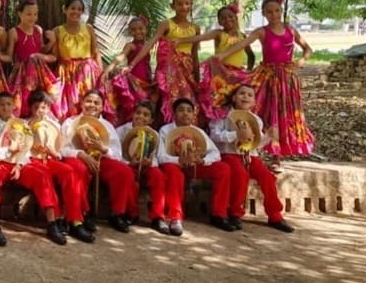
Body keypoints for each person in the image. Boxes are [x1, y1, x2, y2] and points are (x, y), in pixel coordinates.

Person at [214, 0, 315, 162]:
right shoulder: (262, 32)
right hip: (267, 77)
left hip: (287, 79)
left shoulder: (291, 30)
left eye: (277, 11)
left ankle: (278, 155)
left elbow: (308, 49)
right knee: (265, 111)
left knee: (285, 114)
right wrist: (222, 55)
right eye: (269, 12)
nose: (274, 15)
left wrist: (302, 60)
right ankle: (250, 148)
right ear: (263, 13)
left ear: (281, 11)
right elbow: (242, 44)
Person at [0, 91, 67, 245]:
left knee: (41, 175)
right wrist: (9, 150)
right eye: (2, 104)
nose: (6, 107)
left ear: (14, 106)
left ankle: (52, 223)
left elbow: (26, 150)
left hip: (19, 164)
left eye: (9, 104)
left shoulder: (20, 124)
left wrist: (19, 164)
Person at [209, 85, 294, 232]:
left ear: (254, 102)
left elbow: (256, 144)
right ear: (234, 97)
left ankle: (275, 215)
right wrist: (236, 135)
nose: (245, 97)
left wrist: (268, 136)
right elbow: (214, 136)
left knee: (267, 177)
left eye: (250, 95)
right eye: (241, 93)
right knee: (241, 175)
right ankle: (235, 213)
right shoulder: (223, 116)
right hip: (229, 154)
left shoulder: (256, 120)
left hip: (250, 155)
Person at [60, 90, 138, 233]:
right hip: (78, 159)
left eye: (96, 103)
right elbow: (62, 148)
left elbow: (117, 154)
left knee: (124, 172)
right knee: (78, 170)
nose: (92, 105)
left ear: (102, 107)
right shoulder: (70, 122)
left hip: (101, 160)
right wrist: (80, 154)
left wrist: (103, 149)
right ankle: (81, 214)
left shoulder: (107, 126)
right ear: (82, 104)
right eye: (88, 101)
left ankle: (117, 213)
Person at [25, 90, 95, 243]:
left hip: (51, 159)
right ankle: (55, 221)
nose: (39, 111)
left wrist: (54, 152)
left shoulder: (54, 125)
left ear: (49, 108)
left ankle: (75, 220)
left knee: (69, 172)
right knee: (44, 177)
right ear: (30, 108)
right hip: (33, 161)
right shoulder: (24, 124)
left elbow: (61, 148)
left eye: (43, 107)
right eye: (35, 107)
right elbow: (23, 149)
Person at [157, 98, 233, 235]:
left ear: (193, 115)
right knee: (174, 173)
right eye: (181, 110)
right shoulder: (165, 130)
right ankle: (175, 217)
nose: (185, 114)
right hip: (175, 165)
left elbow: (215, 153)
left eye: (189, 111)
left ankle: (219, 214)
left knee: (223, 168)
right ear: (174, 113)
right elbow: (161, 157)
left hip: (195, 166)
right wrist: (179, 160)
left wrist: (202, 161)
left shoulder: (198, 132)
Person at [125, 0, 200, 123]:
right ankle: (165, 128)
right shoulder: (167, 24)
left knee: (188, 99)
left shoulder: (196, 28)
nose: (183, 7)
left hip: (187, 71)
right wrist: (132, 64)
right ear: (173, 6)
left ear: (191, 5)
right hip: (169, 72)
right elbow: (150, 43)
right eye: (179, 4)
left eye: (187, 4)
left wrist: (197, 77)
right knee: (168, 99)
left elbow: (195, 53)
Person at [176, 3, 255, 120]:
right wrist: (180, 40)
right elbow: (200, 38)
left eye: (230, 16)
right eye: (223, 18)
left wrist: (249, 70)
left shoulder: (243, 36)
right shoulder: (219, 34)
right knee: (219, 101)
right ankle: (218, 124)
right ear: (219, 21)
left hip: (236, 77)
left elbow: (251, 55)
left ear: (236, 17)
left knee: (236, 101)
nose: (227, 19)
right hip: (221, 75)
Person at [115, 101, 177, 235]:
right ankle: (132, 213)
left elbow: (159, 157)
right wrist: (129, 163)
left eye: (146, 115)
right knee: (128, 176)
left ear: (151, 119)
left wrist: (150, 163)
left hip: (147, 166)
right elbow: (115, 154)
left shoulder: (154, 134)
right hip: (128, 165)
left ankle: (158, 216)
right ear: (133, 114)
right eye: (138, 113)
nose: (141, 117)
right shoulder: (121, 131)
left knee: (158, 176)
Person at [4, 0, 61, 117]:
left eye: (35, 14)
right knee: (22, 99)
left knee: (43, 96)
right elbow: (9, 56)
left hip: (39, 69)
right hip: (22, 72)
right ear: (20, 14)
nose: (33, 17)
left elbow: (41, 50)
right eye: (29, 14)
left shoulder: (38, 30)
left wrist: (51, 42)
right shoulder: (14, 32)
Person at [49, 0, 105, 119]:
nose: (76, 12)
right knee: (68, 107)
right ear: (65, 9)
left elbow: (96, 52)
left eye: (80, 9)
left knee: (88, 103)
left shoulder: (88, 28)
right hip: (67, 74)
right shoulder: (57, 31)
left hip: (87, 73)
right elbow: (56, 56)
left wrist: (102, 73)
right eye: (73, 8)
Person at [105, 15, 157, 125]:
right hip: (134, 81)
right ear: (130, 32)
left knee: (146, 103)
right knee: (134, 103)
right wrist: (108, 70)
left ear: (146, 29)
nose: (138, 32)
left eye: (140, 28)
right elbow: (120, 57)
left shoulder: (148, 45)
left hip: (146, 80)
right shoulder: (130, 45)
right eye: (134, 30)